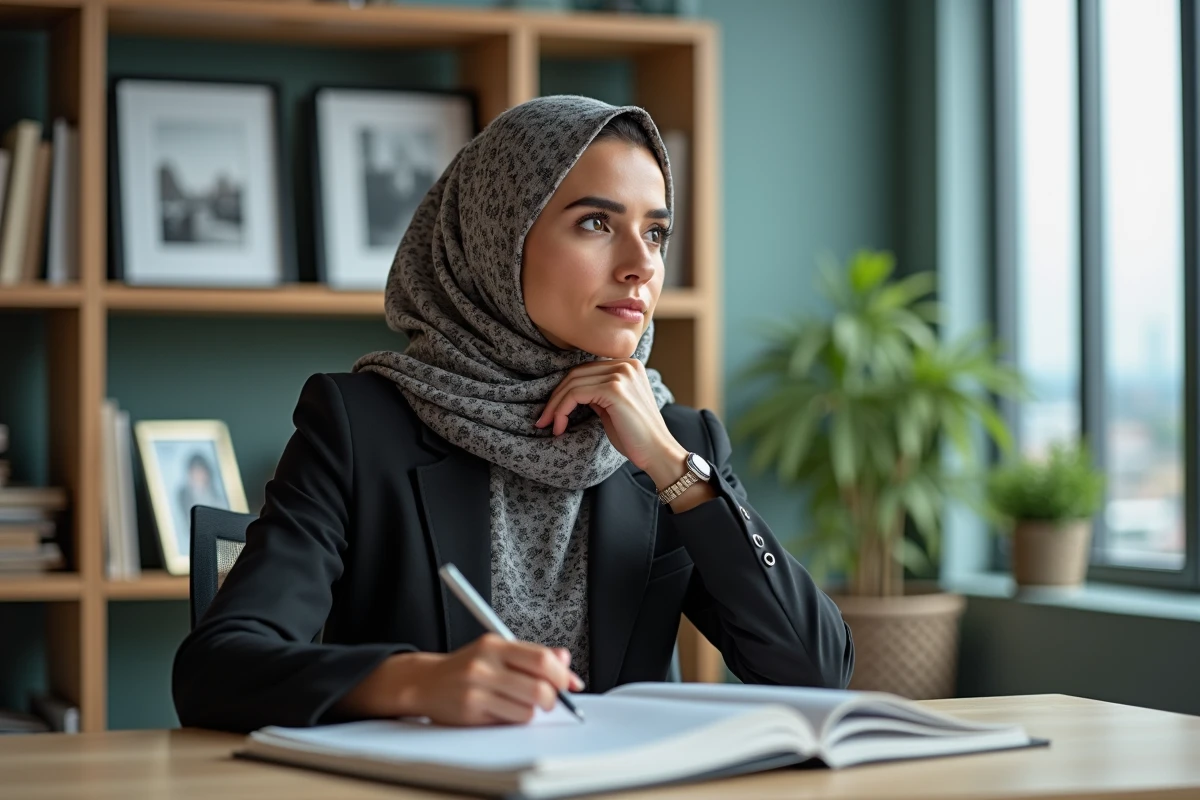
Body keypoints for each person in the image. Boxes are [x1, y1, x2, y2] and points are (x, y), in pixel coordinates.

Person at [172, 95, 854, 734]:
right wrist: (412, 683)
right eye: (596, 224)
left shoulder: (678, 443)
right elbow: (217, 667)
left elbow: (815, 672)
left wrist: (675, 470)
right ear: (501, 236)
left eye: (655, 232)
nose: (640, 265)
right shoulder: (359, 426)